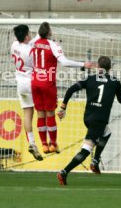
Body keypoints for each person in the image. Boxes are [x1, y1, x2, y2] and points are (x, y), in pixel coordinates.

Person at [56, 56, 121, 186]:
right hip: (99, 120)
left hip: (88, 118)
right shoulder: (115, 81)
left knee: (107, 133)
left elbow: (70, 89)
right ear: (110, 68)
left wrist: (63, 107)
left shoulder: (89, 79)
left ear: (97, 66)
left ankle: (95, 161)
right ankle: (64, 172)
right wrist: (117, 91)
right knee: (86, 149)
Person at [31, 22, 94, 154]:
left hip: (35, 82)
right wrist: (83, 64)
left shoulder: (34, 43)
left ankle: (43, 145)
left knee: (40, 114)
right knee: (50, 113)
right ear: (49, 33)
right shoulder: (53, 45)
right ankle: (53, 144)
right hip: (47, 83)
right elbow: (64, 62)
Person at [11, 24, 43, 161]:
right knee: (43, 110)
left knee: (27, 114)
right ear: (26, 36)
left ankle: (32, 143)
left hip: (20, 85)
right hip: (31, 83)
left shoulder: (13, 45)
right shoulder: (30, 50)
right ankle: (48, 143)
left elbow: (29, 41)